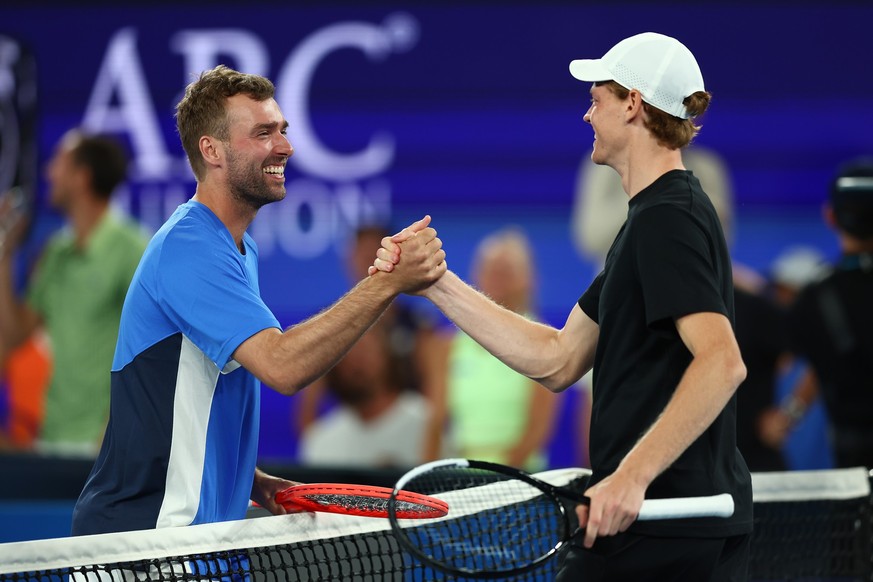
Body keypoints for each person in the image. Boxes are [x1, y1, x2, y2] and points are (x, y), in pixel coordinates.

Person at [373, 33, 752, 580]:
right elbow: (558, 357)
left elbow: (722, 362)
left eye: (596, 100)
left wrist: (630, 478)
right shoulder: (650, 220)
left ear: (633, 103)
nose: (586, 115)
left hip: (665, 528)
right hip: (664, 523)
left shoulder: (668, 217)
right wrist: (435, 282)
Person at [70, 65, 445, 536]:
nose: (285, 146)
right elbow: (282, 366)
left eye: (282, 130)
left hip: (191, 538)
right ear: (212, 150)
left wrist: (252, 479)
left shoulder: (237, 249)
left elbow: (190, 402)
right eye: (264, 133)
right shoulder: (189, 247)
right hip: (145, 537)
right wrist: (387, 282)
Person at [0, 130, 148, 457]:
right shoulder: (55, 254)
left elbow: (154, 350)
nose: (48, 172)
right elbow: (15, 335)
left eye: (58, 163)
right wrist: (4, 254)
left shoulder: (133, 250)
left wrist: (115, 431)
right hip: (52, 439)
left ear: (81, 177)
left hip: (107, 445)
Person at [424, 227, 558, 471]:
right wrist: (427, 480)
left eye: (506, 272)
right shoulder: (445, 347)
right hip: (463, 475)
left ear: (527, 280)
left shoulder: (544, 342)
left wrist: (499, 478)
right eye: (491, 271)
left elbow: (538, 427)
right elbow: (436, 423)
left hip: (521, 477)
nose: (498, 280)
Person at [770, 159, 873, 469]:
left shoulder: (816, 298)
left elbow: (807, 364)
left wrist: (786, 418)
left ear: (830, 217)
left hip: (853, 470)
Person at [293, 224, 440, 436]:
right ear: (349, 260)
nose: (368, 262)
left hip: (408, 433)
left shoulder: (417, 325)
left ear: (394, 257)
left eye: (375, 254)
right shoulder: (331, 324)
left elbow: (434, 392)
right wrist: (315, 445)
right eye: (362, 255)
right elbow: (309, 400)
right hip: (352, 434)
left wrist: (428, 441)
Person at [298, 320, 433, 468]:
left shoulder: (429, 423)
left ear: (387, 352)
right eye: (348, 352)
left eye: (365, 349)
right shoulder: (321, 440)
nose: (357, 362)